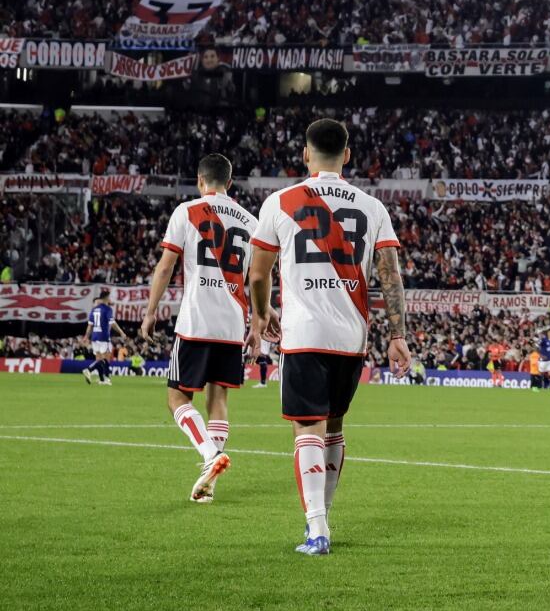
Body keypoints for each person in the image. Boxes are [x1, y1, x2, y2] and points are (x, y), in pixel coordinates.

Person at [246, 118, 411, 556]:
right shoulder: (373, 207)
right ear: (348, 155)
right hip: (352, 334)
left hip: (304, 332)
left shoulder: (279, 202)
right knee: (334, 426)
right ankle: (323, 515)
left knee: (307, 428)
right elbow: (390, 276)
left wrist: (261, 316)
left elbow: (258, 273)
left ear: (305, 153)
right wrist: (398, 335)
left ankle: (317, 528)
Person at [140, 154, 260, 503]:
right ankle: (208, 484)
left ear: (199, 180)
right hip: (233, 324)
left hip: (196, 321)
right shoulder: (251, 222)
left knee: (176, 397)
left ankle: (210, 455)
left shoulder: (187, 211)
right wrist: (257, 322)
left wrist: (150, 311)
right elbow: (257, 277)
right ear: (230, 182)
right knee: (218, 399)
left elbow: (165, 267)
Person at [81, 288, 130, 385]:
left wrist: (86, 336)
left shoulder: (94, 310)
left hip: (94, 337)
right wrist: (121, 332)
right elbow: (112, 323)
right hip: (103, 336)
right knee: (105, 359)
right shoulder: (107, 309)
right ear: (106, 298)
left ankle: (103, 380)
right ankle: (89, 370)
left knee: (99, 359)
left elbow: (90, 325)